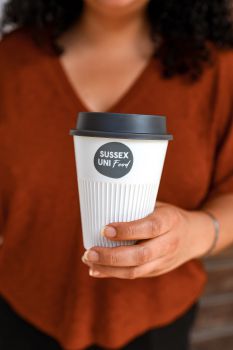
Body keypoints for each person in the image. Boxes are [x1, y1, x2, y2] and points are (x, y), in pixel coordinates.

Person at [0, 0, 233, 349]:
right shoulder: (11, 61)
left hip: (156, 323)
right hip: (21, 310)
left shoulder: (218, 69)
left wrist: (194, 234)